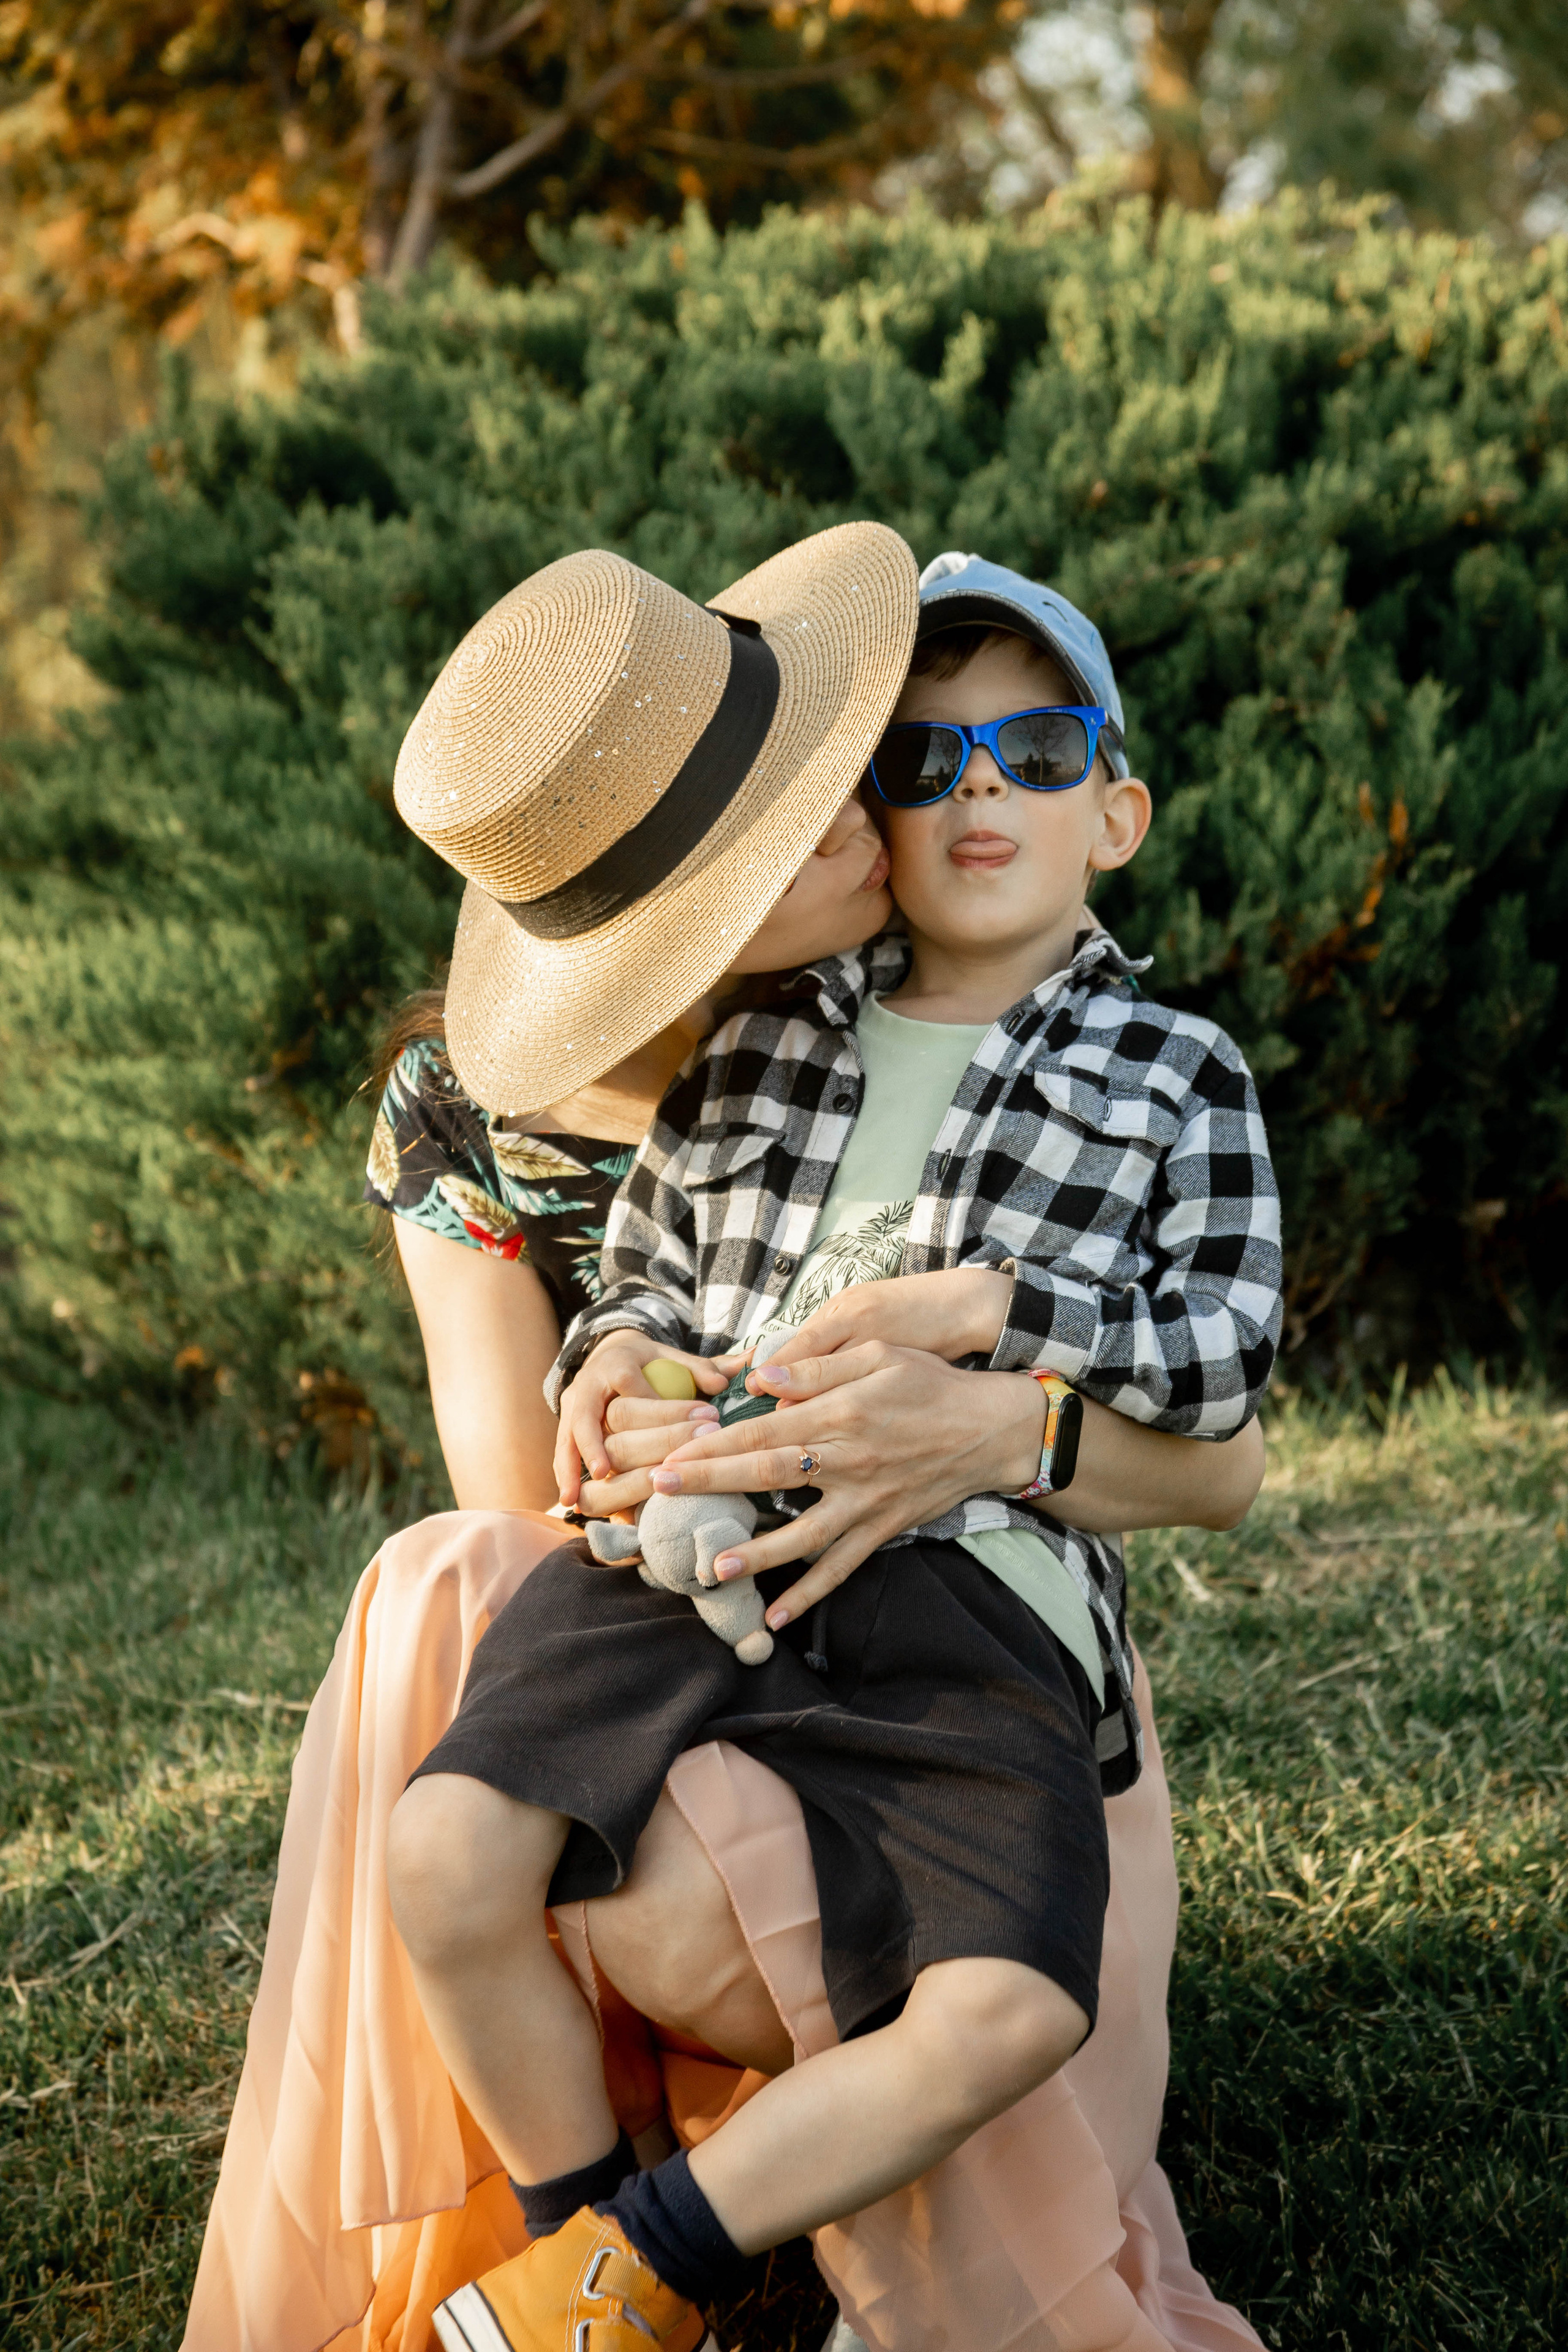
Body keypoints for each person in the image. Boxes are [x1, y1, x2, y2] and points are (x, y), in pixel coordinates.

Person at [183, 530, 1272, 2352]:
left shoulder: (1024, 1024)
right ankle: (597, 2234)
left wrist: (987, 1415)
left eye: (850, 773)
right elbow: (522, 1498)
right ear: (683, 907)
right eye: (831, 808)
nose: (878, 813)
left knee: (990, 1997)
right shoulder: (490, 1114)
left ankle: (704, 2224)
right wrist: (633, 1401)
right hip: (673, 1587)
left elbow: (1220, 1455)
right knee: (442, 1579)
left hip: (966, 1601)